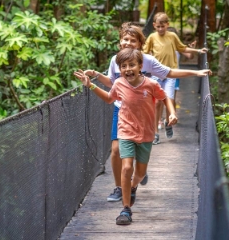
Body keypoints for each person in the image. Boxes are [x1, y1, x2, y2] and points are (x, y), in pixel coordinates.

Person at [82, 23, 210, 203]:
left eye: (132, 40)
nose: (128, 43)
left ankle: (137, 175)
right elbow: (112, 83)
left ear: (140, 44)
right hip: (122, 108)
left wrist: (195, 73)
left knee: (138, 153)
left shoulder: (147, 60)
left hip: (143, 112)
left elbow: (169, 72)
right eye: (125, 39)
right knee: (116, 149)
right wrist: (95, 75)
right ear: (120, 42)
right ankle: (120, 187)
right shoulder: (116, 60)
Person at [75, 48, 176, 225]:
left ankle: (133, 186)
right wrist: (90, 85)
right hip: (126, 131)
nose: (127, 69)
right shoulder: (119, 84)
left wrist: (172, 113)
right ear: (119, 69)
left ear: (140, 66)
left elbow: (165, 97)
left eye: (131, 65)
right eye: (123, 66)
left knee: (140, 173)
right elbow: (109, 98)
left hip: (146, 134)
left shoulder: (151, 84)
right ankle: (126, 209)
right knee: (127, 167)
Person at [143, 12, 206, 144]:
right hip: (156, 73)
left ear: (167, 25)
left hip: (171, 73)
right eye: (158, 26)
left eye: (163, 26)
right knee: (157, 103)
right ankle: (155, 133)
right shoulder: (152, 37)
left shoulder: (172, 36)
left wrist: (198, 51)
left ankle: (168, 122)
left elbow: (182, 48)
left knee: (169, 101)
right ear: (154, 25)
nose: (160, 29)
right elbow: (144, 52)